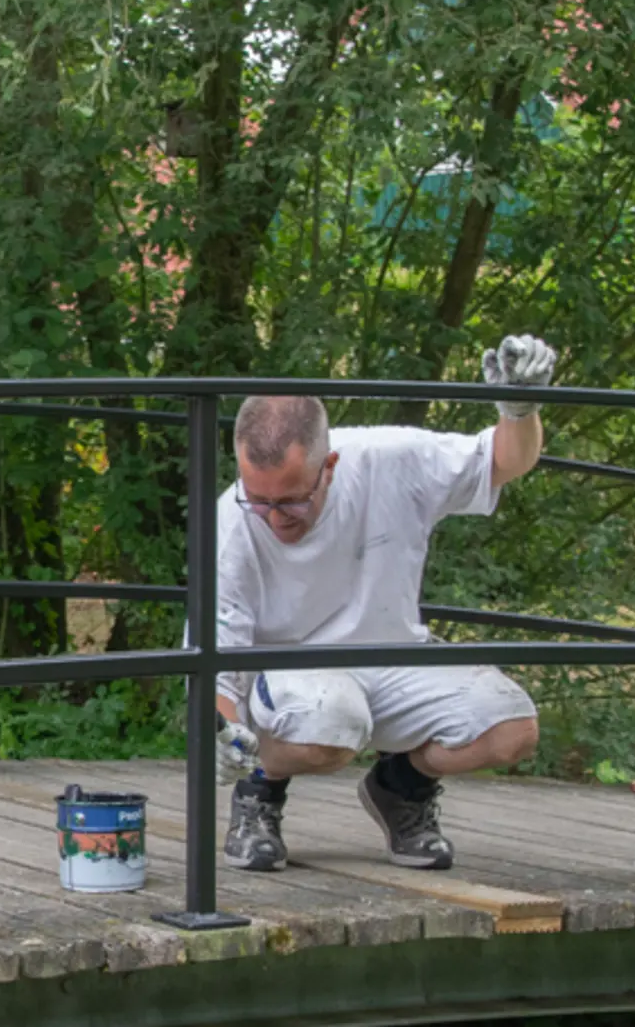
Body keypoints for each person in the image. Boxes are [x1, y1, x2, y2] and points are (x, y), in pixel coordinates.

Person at [210, 335, 557, 871]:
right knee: (332, 721)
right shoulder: (232, 520)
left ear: (330, 465)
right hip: (294, 679)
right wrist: (227, 734)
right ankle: (260, 793)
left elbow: (506, 461)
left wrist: (521, 407)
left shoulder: (392, 460)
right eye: (261, 500)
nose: (276, 517)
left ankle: (401, 789)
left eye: (292, 500)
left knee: (510, 728)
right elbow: (213, 659)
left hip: (394, 656)